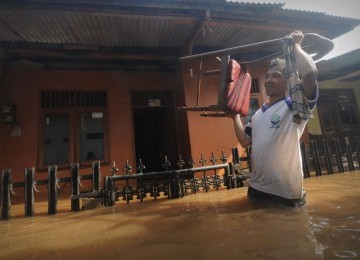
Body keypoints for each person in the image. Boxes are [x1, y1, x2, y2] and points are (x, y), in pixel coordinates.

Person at [232, 30, 318, 207]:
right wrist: (234, 115)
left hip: (285, 193)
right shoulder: (258, 114)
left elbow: (310, 73)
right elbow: (245, 141)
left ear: (288, 81)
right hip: (256, 188)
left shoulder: (294, 105)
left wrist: (295, 46)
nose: (268, 80)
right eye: (268, 76)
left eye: (276, 76)